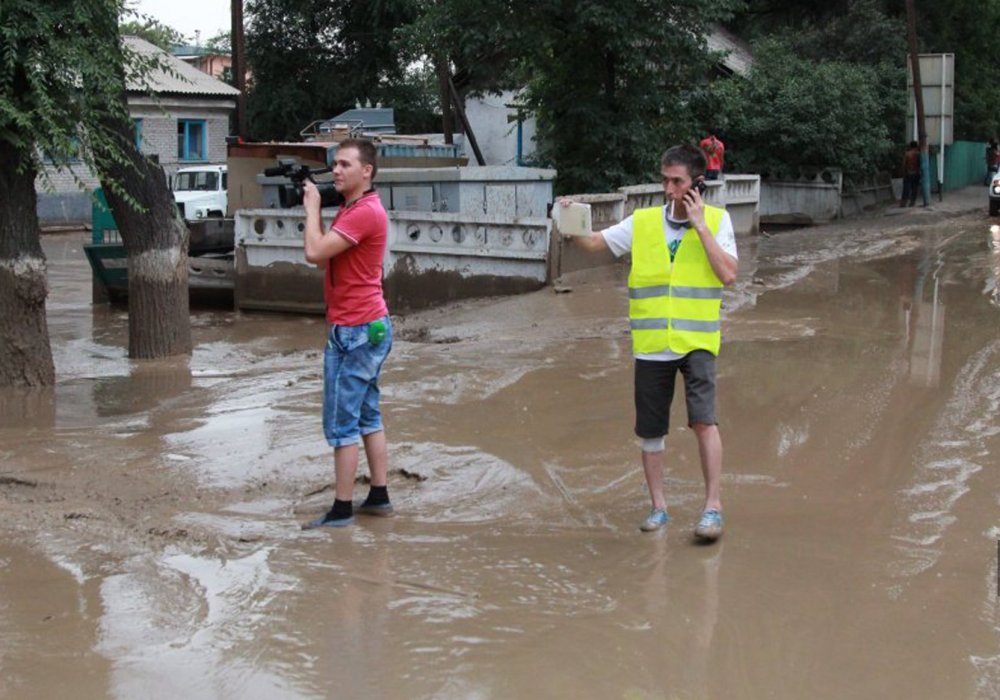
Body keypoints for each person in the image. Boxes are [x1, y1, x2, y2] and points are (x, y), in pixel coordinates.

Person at [562, 144, 738, 541]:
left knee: (704, 422)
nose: (669, 188)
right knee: (651, 430)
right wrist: (568, 222)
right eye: (665, 179)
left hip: (697, 341)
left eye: (677, 181)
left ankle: (713, 508)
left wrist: (700, 227)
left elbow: (728, 274)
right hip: (652, 343)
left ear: (697, 185)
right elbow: (593, 245)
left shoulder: (718, 220)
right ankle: (659, 508)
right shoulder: (641, 222)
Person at [301, 138, 394, 528]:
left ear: (366, 171)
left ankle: (341, 510)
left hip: (355, 330)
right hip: (365, 326)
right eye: (334, 165)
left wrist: (311, 209)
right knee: (367, 415)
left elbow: (315, 252)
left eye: (344, 165)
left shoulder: (363, 212)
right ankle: (378, 495)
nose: (335, 171)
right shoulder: (355, 207)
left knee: (342, 423)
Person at [900, 141, 921, 207]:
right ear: (916, 146)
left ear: (910, 146)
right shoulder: (918, 154)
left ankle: (903, 203)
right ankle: (912, 202)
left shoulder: (907, 154)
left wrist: (903, 173)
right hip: (916, 173)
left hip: (908, 173)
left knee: (906, 188)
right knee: (915, 188)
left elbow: (903, 165)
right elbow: (921, 164)